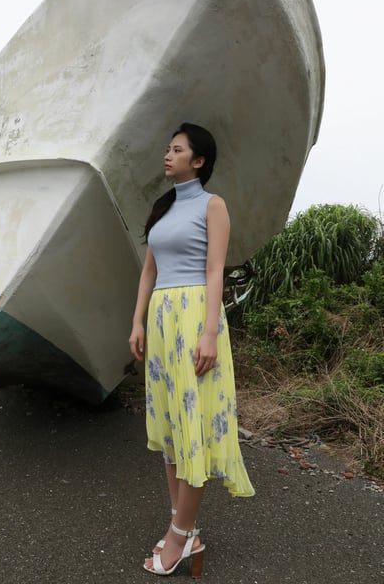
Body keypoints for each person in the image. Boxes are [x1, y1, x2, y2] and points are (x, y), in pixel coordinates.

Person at [129, 122, 255, 577]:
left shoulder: (212, 205)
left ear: (198, 161)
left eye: (177, 149)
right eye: (168, 148)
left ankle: (180, 537)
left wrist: (209, 333)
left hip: (195, 316)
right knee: (170, 426)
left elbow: (215, 269)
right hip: (162, 320)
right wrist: (137, 321)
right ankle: (185, 530)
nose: (167, 154)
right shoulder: (163, 209)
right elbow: (149, 270)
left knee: (192, 424)